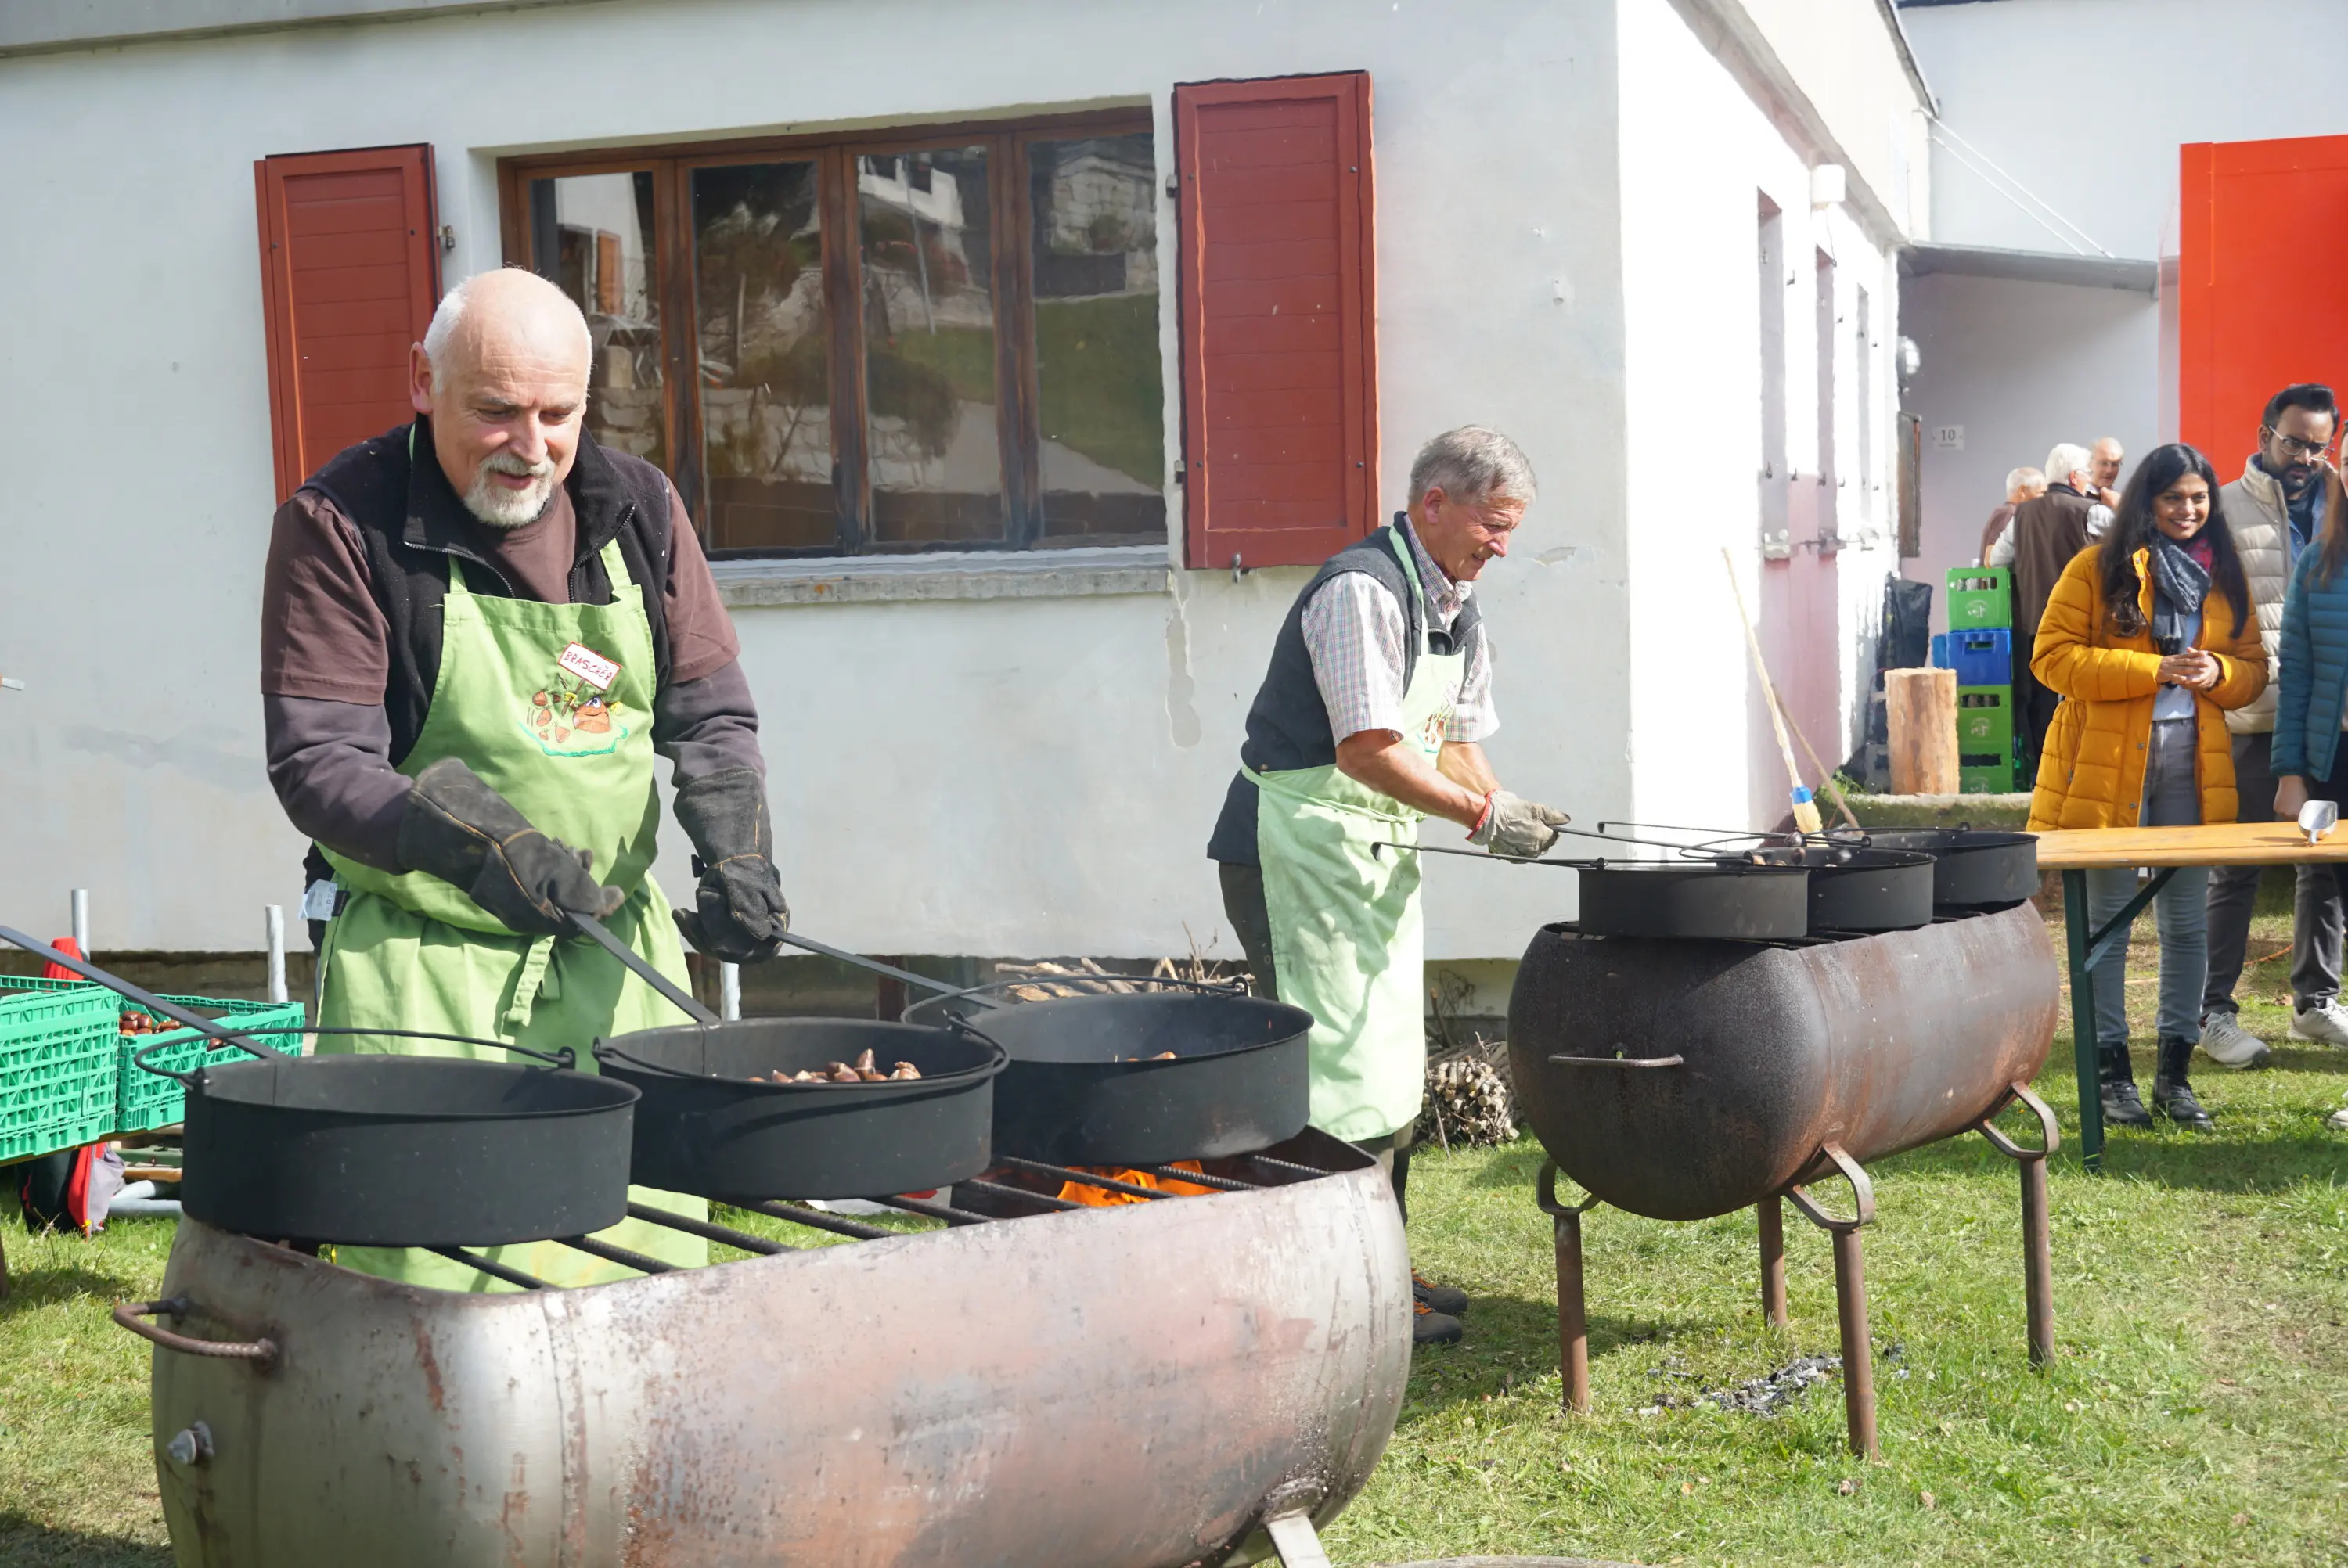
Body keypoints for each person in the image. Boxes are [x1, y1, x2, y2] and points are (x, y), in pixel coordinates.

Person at [260, 268, 789, 1288]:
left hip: (617, 967)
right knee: (444, 1307)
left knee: (644, 1291)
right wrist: (476, 841)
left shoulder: (638, 508)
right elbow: (318, 759)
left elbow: (710, 710)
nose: (530, 445)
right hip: (429, 976)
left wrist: (740, 848)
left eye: (557, 414)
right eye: (495, 410)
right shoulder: (343, 525)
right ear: (423, 380)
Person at [1208, 426, 1568, 1346]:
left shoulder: (1455, 606)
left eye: (1512, 529)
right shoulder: (1360, 592)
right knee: (1329, 1077)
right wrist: (1479, 821)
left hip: (1366, 858)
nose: (1502, 546)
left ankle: (1381, 1266)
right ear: (1433, 503)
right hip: (1294, 855)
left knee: (1386, 1065)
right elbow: (1368, 748)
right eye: (1492, 525)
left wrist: (1504, 800)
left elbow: (1446, 738)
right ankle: (1337, 1293)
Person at [2028, 442, 2267, 1133]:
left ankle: (2174, 1078)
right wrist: (2152, 672)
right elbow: (2053, 659)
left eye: (2199, 498)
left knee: (2186, 923)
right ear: (2145, 501)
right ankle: (2113, 1077)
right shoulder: (2095, 568)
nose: (2188, 511)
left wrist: (2216, 673)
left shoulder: (2227, 577)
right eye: (2173, 499)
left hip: (2195, 762)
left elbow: (2254, 671)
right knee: (2108, 923)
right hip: (2107, 765)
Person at [2201, 385, 2344, 1068]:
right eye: (2294, 441)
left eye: (2319, 445)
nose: (2305, 457)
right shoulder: (2222, 508)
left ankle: (2314, 1003)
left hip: (2325, 722)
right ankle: (2214, 1012)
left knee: (2326, 870)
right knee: (2236, 870)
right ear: (2264, 434)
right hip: (2251, 714)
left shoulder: (2336, 509)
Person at [2007, 443, 2114, 773]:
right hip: (2084, 627)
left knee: (2041, 703)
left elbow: (1997, 559)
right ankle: (2083, 768)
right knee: (2083, 698)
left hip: (2034, 625)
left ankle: (2045, 770)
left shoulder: (2022, 514)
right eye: (2087, 476)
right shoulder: (2091, 511)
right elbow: (2134, 546)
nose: (2091, 484)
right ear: (2074, 476)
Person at [1977, 466, 2047, 566]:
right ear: (2022, 491)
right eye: (2041, 493)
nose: (2044, 498)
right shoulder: (2009, 513)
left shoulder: (2007, 512)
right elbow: (1989, 561)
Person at [2090, 437, 2127, 510]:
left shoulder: (2123, 500)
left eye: (2115, 464)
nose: (2109, 470)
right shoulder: (2078, 497)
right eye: (2103, 463)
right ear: (2091, 463)